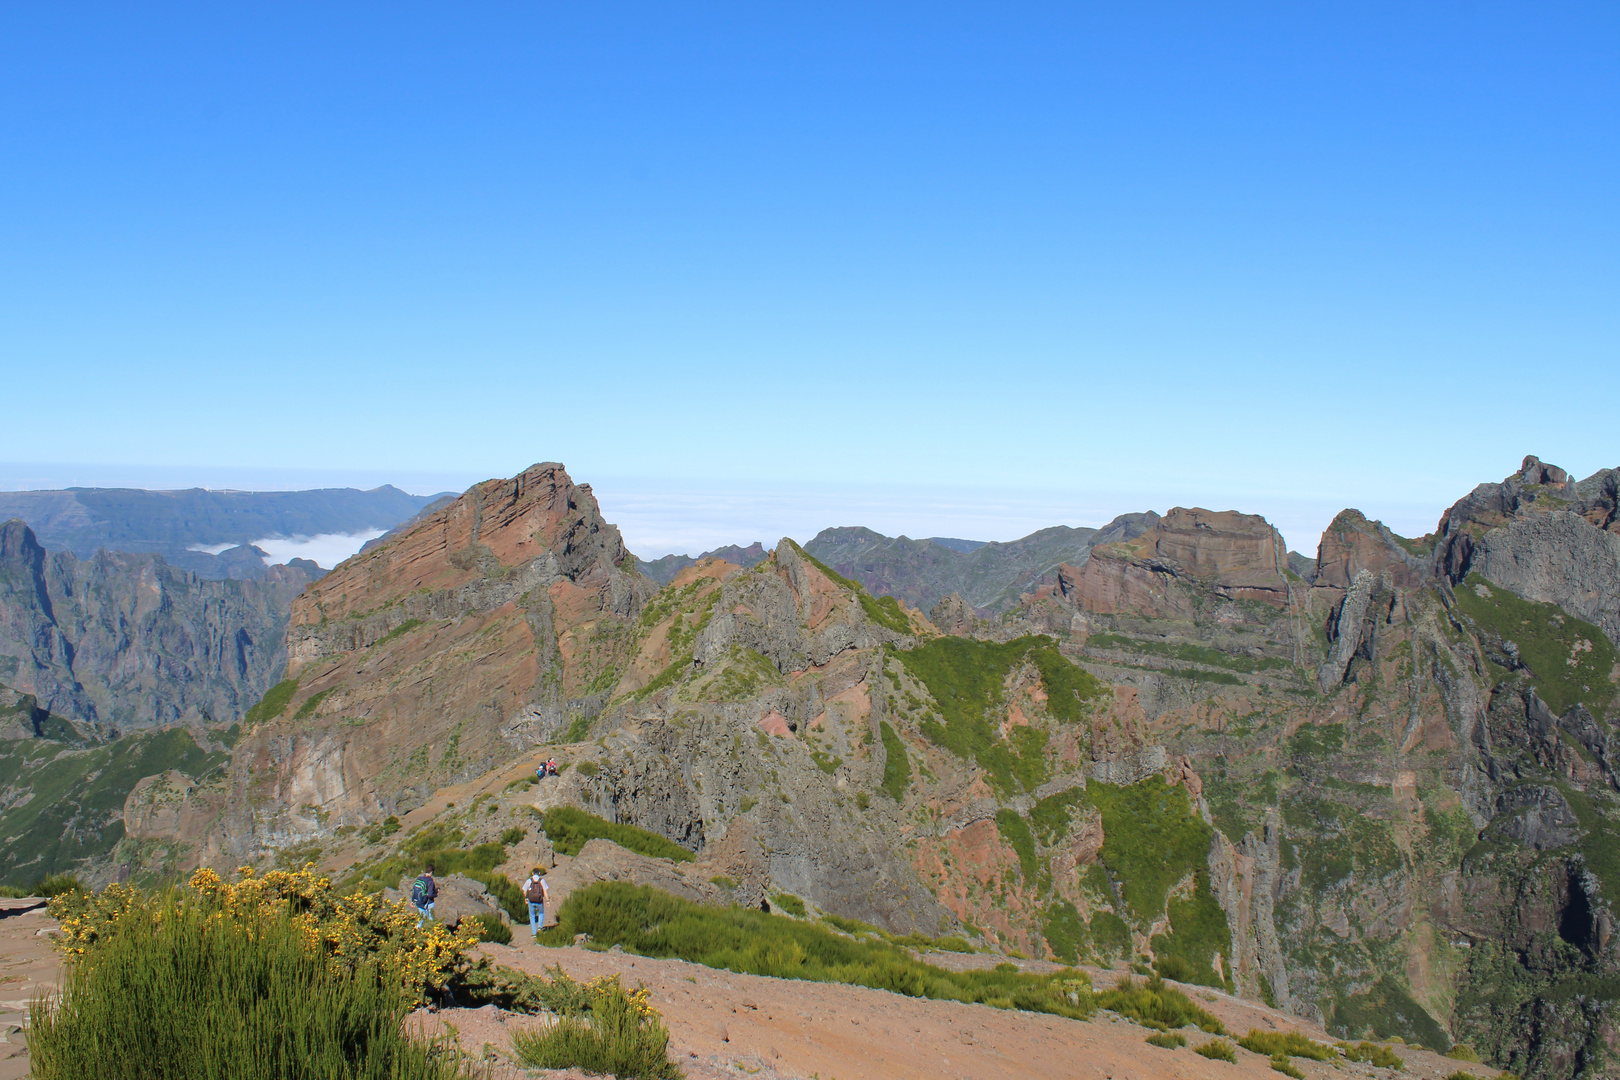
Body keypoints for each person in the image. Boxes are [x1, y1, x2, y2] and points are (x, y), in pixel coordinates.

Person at [522, 866, 549, 938]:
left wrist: (526, 898)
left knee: (532, 916)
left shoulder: (529, 881)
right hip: (539, 900)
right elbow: (545, 891)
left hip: (531, 901)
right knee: (541, 913)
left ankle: (534, 933)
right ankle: (540, 926)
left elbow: (524, 891)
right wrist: (547, 900)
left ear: (532, 873)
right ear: (539, 873)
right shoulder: (542, 880)